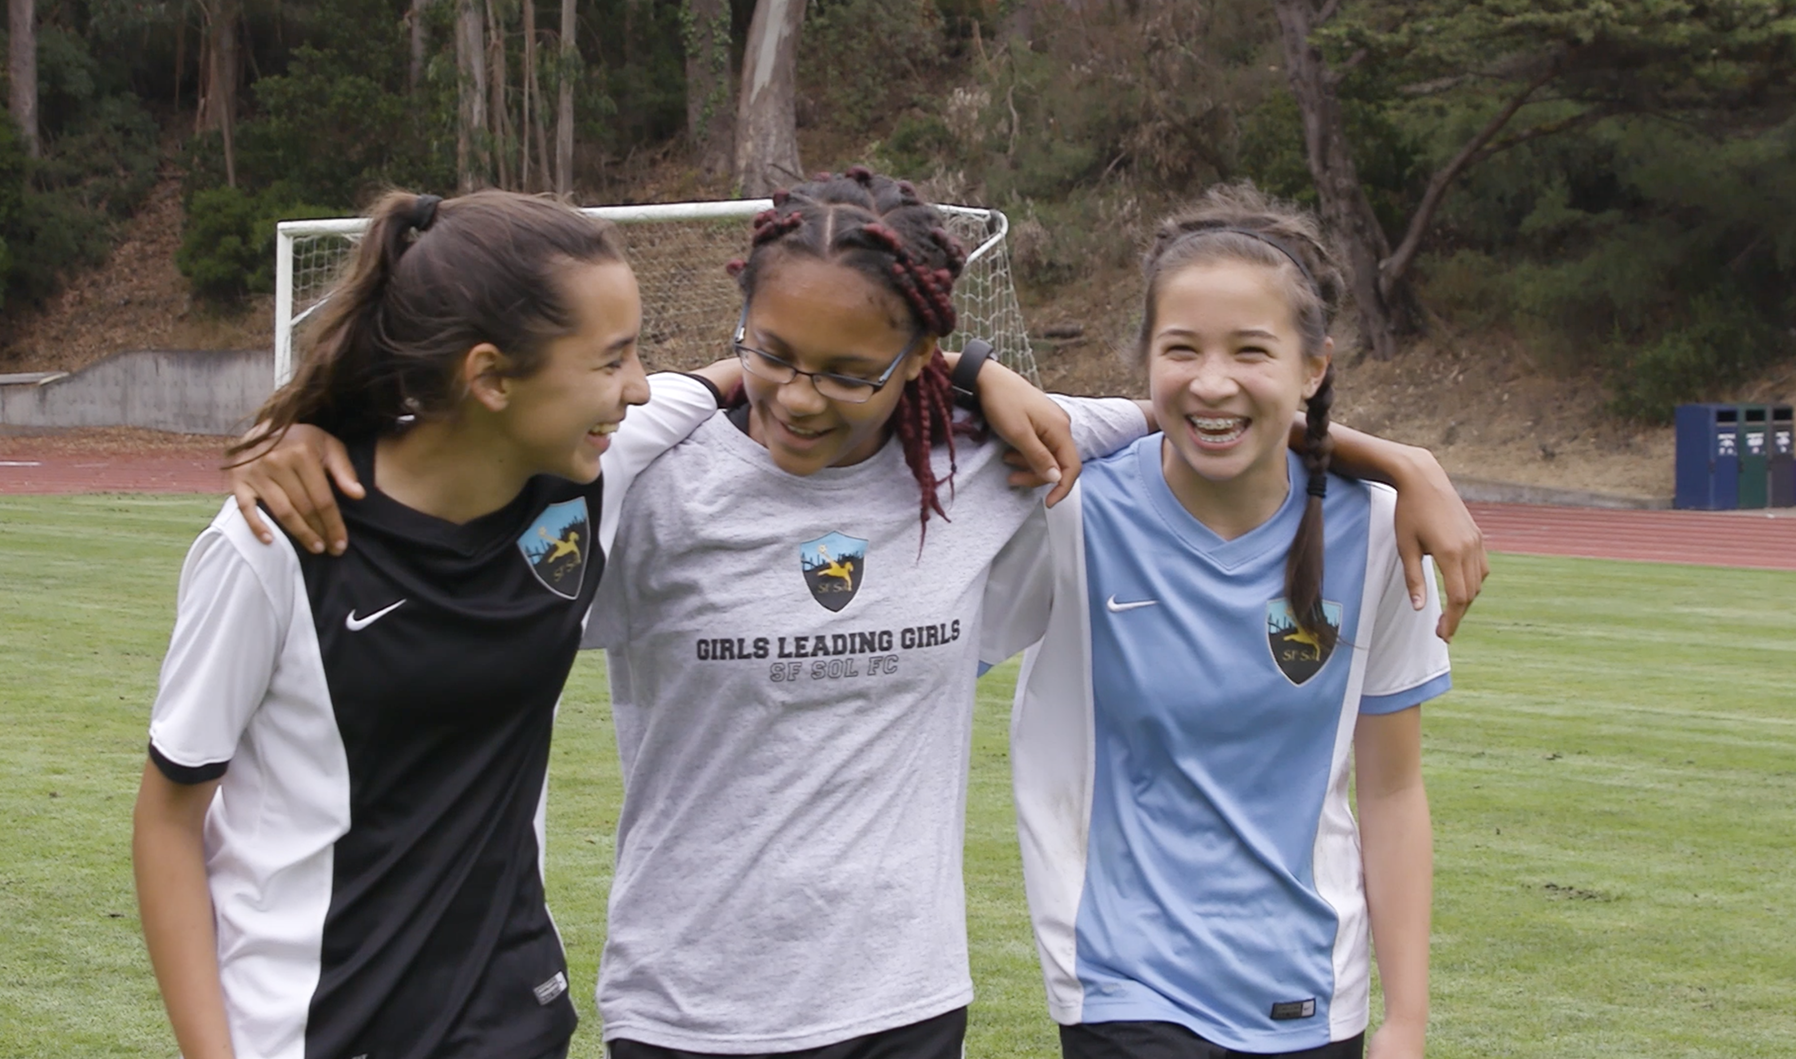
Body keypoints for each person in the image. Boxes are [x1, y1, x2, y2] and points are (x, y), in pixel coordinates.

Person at [230, 170, 1485, 1059]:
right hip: (687, 1010)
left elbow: (1203, 418)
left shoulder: (985, 463)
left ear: (920, 361)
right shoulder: (642, 475)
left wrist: (1398, 462)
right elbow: (465, 464)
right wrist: (316, 435)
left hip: (904, 1003)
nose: (798, 397)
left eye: (849, 373)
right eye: (772, 354)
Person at [131, 189, 741, 1059]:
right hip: (316, 1030)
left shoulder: (595, 467)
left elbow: (750, 372)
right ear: (489, 377)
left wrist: (944, 370)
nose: (639, 387)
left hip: (512, 1019)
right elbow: (168, 821)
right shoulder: (277, 540)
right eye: (612, 360)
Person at [1007, 184, 1448, 1059]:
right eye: (1181, 349)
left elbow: (1391, 790)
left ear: (1313, 367)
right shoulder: (1068, 511)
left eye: (1250, 350)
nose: (1211, 381)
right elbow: (898, 391)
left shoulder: (1380, 534)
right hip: (1121, 981)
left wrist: (1405, 1020)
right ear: (1143, 361)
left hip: (1309, 992)